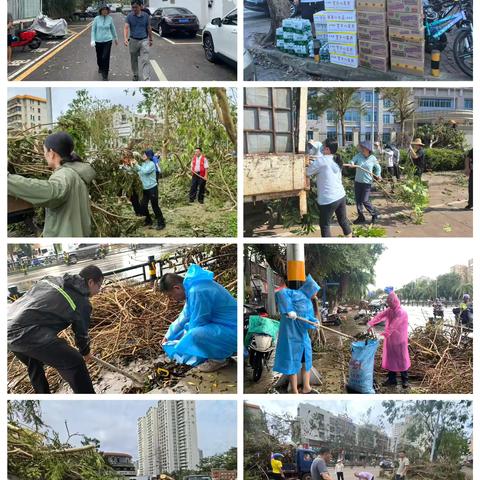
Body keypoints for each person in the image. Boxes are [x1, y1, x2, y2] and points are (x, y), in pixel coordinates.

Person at [8, 265, 104, 394]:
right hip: (25, 333)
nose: (99, 290)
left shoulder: (52, 279)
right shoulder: (82, 302)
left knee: (33, 361)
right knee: (75, 362)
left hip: (8, 325)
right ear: (91, 282)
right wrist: (85, 352)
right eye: (99, 286)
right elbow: (81, 334)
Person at [8, 132, 95, 237]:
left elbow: (51, 192)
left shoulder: (65, 175)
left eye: (45, 152)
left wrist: (8, 180)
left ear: (52, 153)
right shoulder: (76, 173)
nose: (44, 156)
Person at [159, 265, 237, 372]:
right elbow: (184, 316)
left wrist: (181, 344)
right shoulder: (193, 287)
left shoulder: (197, 291)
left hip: (235, 331)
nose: (173, 299)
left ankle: (219, 360)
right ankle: (221, 353)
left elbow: (199, 322)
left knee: (195, 334)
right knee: (183, 332)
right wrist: (168, 336)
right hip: (227, 328)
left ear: (176, 288)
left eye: (171, 296)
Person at [274, 275, 320, 394]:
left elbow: (308, 318)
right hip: (290, 336)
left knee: (307, 362)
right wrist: (289, 310)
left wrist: (314, 322)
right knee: (292, 363)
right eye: (315, 291)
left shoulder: (309, 303)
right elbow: (281, 293)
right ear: (310, 288)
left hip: (303, 337)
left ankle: (306, 387)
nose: (316, 294)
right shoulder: (294, 294)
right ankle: (294, 391)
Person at [306, 138, 352, 238]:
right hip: (341, 196)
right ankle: (350, 238)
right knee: (343, 221)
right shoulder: (336, 159)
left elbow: (307, 172)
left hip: (328, 200)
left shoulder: (321, 160)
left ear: (327, 149)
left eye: (323, 146)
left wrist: (309, 163)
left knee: (325, 225)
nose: (321, 147)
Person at [367, 291, 411, 389]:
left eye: (390, 303)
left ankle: (405, 380)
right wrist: (371, 323)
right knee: (391, 359)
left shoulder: (401, 312)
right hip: (391, 340)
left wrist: (383, 334)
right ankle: (392, 379)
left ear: (394, 301)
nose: (389, 304)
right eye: (388, 303)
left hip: (400, 340)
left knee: (402, 359)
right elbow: (380, 316)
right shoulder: (390, 310)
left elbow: (394, 325)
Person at [345, 141, 382, 225]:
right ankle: (361, 217)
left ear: (368, 149)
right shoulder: (358, 156)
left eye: (364, 148)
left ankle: (374, 214)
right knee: (358, 201)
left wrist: (378, 175)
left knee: (365, 200)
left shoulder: (372, 158)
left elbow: (378, 168)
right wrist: (351, 163)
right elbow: (352, 160)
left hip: (367, 183)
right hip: (358, 182)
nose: (362, 149)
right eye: (362, 147)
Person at [130, 152, 166, 230]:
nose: (143, 156)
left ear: (149, 156)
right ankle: (148, 221)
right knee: (143, 205)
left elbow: (145, 171)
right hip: (145, 189)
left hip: (152, 188)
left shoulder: (151, 164)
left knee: (155, 206)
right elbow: (136, 170)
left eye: (144, 154)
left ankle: (161, 223)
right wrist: (130, 165)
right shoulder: (143, 164)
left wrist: (136, 164)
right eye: (143, 154)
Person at [124, 0, 152, 81]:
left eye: (136, 7)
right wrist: (125, 38)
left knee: (145, 60)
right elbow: (126, 27)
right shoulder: (129, 16)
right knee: (134, 59)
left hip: (144, 40)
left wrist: (151, 39)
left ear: (141, 6)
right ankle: (135, 74)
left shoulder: (146, 16)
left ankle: (146, 78)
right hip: (133, 40)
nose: (134, 9)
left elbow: (149, 28)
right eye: (133, 7)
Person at [91, 3, 118, 81]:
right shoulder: (96, 19)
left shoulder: (110, 19)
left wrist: (115, 38)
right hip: (98, 41)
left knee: (105, 57)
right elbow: (93, 30)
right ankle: (100, 67)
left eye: (106, 10)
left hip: (108, 41)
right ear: (100, 11)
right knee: (99, 57)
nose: (105, 11)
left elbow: (113, 29)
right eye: (103, 10)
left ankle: (105, 74)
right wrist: (92, 40)